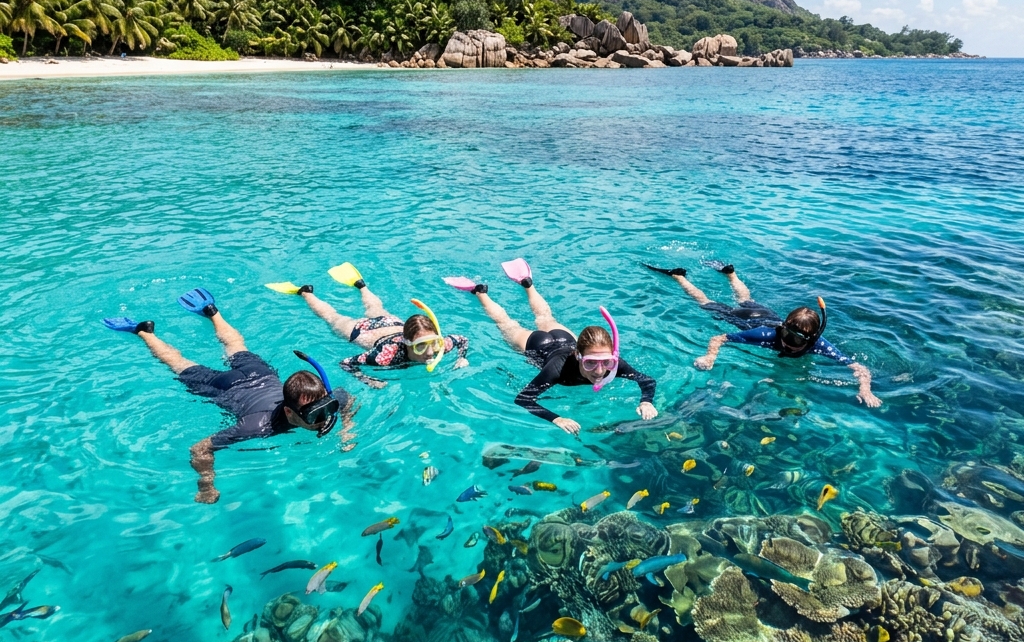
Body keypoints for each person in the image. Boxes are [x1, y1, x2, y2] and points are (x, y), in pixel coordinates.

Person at [103, 287, 351, 504]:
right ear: (288, 411)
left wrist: (347, 430)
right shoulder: (258, 426)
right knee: (179, 364)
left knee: (236, 346)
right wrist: (206, 485)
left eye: (327, 408)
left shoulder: (329, 401)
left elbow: (347, 398)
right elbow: (200, 448)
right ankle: (144, 332)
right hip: (227, 387)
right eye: (313, 415)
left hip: (260, 373)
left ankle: (212, 312)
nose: (324, 418)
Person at [446, 258, 658, 434]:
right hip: (538, 345)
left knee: (545, 317)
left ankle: (527, 283)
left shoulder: (613, 363)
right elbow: (524, 399)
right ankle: (479, 291)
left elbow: (647, 380)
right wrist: (556, 418)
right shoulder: (557, 369)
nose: (600, 370)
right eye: (591, 363)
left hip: (565, 338)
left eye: (606, 362)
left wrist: (646, 401)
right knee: (506, 324)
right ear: (578, 356)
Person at [645, 260, 881, 407]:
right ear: (783, 327)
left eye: (795, 339)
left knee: (746, 299)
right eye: (786, 335)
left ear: (812, 339)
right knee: (707, 303)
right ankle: (679, 276)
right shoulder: (766, 335)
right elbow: (719, 338)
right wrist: (710, 356)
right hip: (747, 320)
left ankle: (731, 274)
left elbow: (858, 367)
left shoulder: (819, 344)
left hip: (765, 313)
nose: (787, 343)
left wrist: (865, 389)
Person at [266, 263, 469, 388]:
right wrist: (368, 379)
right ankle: (305, 292)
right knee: (331, 317)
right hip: (364, 331)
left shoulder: (440, 346)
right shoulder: (385, 356)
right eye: (421, 346)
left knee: (376, 308)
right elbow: (346, 363)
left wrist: (461, 358)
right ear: (407, 344)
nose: (430, 352)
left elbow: (462, 339)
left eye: (433, 343)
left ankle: (361, 286)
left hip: (392, 324)